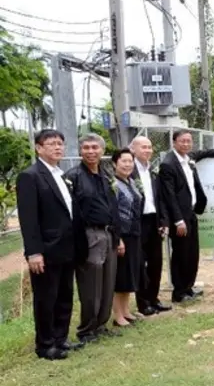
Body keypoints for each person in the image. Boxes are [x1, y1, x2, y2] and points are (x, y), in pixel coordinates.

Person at [17, 129, 84, 360]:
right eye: (51, 143)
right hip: (46, 250)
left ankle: (60, 338)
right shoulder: (30, 176)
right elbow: (28, 219)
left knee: (65, 295)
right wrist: (34, 252)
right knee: (46, 298)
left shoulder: (61, 174)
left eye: (60, 143)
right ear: (38, 147)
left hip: (67, 247)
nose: (57, 147)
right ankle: (45, 345)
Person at [158, 130, 214, 303]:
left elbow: (201, 153)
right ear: (174, 142)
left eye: (188, 141)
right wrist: (178, 221)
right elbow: (169, 196)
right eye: (182, 141)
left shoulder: (188, 158)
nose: (186, 144)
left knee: (192, 253)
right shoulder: (168, 164)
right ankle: (179, 292)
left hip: (191, 213)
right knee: (181, 255)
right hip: (180, 219)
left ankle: (188, 287)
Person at [64, 133, 122, 344]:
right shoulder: (73, 177)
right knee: (91, 285)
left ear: (102, 151)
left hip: (109, 234)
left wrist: (118, 236)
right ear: (80, 151)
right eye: (86, 148)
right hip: (90, 235)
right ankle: (87, 330)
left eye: (95, 147)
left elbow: (113, 206)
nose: (91, 151)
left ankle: (101, 325)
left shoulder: (106, 175)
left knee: (108, 282)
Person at [130, 136, 171, 316]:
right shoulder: (129, 170)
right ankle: (143, 302)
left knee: (156, 263)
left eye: (149, 147)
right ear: (133, 150)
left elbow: (160, 199)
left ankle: (154, 299)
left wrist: (164, 221)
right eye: (143, 147)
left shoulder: (153, 171)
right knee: (141, 264)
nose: (147, 150)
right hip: (138, 223)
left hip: (154, 221)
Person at [111, 148, 144, 327]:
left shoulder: (131, 182)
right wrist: (118, 239)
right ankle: (117, 315)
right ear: (115, 163)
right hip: (122, 235)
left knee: (131, 273)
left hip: (134, 233)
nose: (127, 164)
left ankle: (126, 310)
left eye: (130, 161)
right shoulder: (113, 185)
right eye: (123, 161)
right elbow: (113, 213)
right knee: (121, 275)